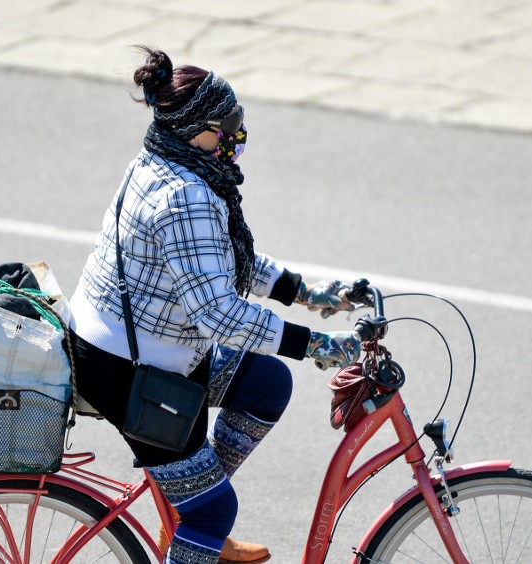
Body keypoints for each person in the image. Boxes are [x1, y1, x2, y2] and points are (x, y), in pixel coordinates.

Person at [68, 46, 362, 564]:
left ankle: (190, 512)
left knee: (268, 385)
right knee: (214, 512)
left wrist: (307, 293)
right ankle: (197, 522)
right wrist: (313, 344)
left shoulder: (162, 156)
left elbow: (219, 258)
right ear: (196, 129)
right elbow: (219, 313)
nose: (237, 138)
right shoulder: (185, 194)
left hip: (141, 344)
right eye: (228, 127)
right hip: (129, 371)